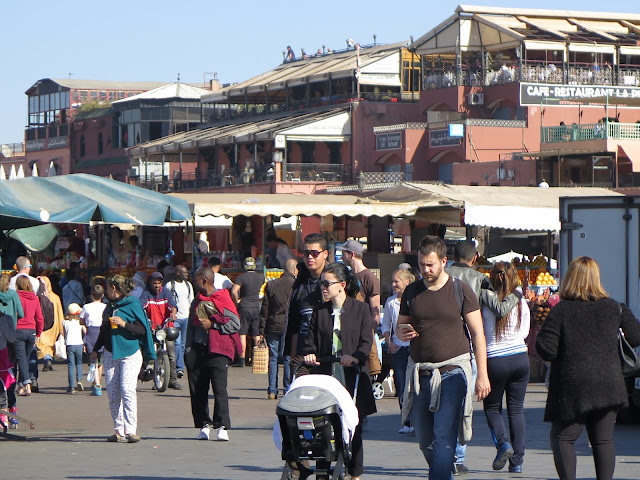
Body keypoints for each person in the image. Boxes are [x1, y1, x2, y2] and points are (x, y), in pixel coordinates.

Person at [536, 256, 640, 480]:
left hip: (573, 388)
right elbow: (636, 336)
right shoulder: (615, 308)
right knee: (603, 441)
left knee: (563, 439)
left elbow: (546, 349)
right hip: (608, 384)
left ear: (570, 279)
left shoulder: (562, 311)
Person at [397, 235, 490, 480]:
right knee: (425, 439)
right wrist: (402, 333)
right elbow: (400, 326)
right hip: (420, 373)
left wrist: (482, 375)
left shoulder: (461, 290)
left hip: (453, 372)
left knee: (444, 436)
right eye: (421, 264)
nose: (425, 270)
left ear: (444, 261)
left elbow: (478, 334)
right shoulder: (412, 291)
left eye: (431, 265)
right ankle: (444, 468)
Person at [445, 241, 521, 475]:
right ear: (475, 257)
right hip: (466, 348)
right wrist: (517, 294)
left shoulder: (441, 276)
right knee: (463, 406)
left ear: (451, 255)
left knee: (445, 407)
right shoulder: (479, 280)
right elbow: (499, 308)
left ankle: (446, 456)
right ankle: (458, 457)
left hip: (439, 346)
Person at [302, 262, 376, 480]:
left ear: (342, 285)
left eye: (327, 283)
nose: (323, 287)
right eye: (321, 284)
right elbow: (310, 341)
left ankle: (355, 473)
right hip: (327, 375)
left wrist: (355, 357)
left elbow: (366, 341)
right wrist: (309, 353)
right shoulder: (320, 311)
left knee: (354, 426)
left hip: (352, 376)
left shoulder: (360, 309)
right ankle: (323, 470)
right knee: (323, 425)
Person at [90, 274, 155, 443]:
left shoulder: (133, 305)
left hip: (130, 353)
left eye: (107, 287)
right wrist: (95, 349)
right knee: (113, 393)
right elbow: (103, 331)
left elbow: (142, 330)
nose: (105, 291)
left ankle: (131, 430)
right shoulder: (108, 307)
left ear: (113, 288)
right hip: (111, 353)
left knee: (127, 390)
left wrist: (124, 324)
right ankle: (118, 430)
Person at [481, 262, 530, 473]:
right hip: (520, 358)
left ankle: (504, 443)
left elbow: (480, 333)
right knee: (516, 410)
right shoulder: (521, 303)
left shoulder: (485, 304)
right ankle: (517, 462)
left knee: (492, 408)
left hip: (495, 360)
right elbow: (526, 332)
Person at [185, 266, 241, 442]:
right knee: (198, 390)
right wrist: (188, 349)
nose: (194, 281)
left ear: (204, 280)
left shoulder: (223, 297)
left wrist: (214, 325)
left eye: (196, 278)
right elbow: (190, 326)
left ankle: (222, 425)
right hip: (198, 349)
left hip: (218, 350)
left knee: (219, 389)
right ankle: (204, 424)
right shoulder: (197, 300)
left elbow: (235, 324)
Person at [284, 233, 329, 380]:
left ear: (325, 254)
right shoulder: (300, 283)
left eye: (315, 253)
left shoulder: (335, 280)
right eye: (306, 253)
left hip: (328, 352)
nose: (310, 257)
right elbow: (294, 324)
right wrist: (293, 357)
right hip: (302, 353)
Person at [338, 239, 382, 377]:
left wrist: (369, 331)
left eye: (343, 253)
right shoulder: (347, 275)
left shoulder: (369, 277)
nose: (341, 256)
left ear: (351, 254)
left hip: (363, 329)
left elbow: (375, 311)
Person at [381, 267, 415, 434]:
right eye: (393, 281)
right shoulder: (390, 302)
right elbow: (386, 324)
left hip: (415, 348)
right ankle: (406, 420)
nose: (393, 284)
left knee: (416, 385)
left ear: (407, 282)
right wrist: (389, 343)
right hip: (399, 348)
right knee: (401, 384)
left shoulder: (415, 300)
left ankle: (417, 420)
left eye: (397, 281)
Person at [259, 258, 297, 400]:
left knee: (273, 358)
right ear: (294, 270)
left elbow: (265, 309)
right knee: (287, 358)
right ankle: (287, 389)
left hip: (273, 324)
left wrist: (261, 330)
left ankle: (272, 390)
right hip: (289, 325)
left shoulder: (271, 285)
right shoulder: (296, 285)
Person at [139, 271, 181, 390]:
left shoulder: (166, 292)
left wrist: (173, 314)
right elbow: (140, 307)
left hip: (166, 327)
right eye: (154, 282)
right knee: (149, 353)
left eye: (159, 283)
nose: (157, 285)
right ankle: (154, 379)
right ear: (151, 283)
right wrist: (144, 318)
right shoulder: (146, 294)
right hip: (152, 328)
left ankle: (172, 380)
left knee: (171, 354)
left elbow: (173, 306)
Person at [231, 257, 265, 367]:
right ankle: (258, 359)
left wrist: (237, 302)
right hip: (256, 306)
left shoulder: (241, 277)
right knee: (256, 334)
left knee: (242, 334)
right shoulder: (261, 277)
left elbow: (234, 291)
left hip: (244, 306)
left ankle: (241, 360)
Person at [15, 276, 44, 396]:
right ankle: (20, 385)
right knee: (25, 359)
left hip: (19, 329)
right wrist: (38, 333)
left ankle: (27, 384)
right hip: (31, 330)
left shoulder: (16, 297)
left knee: (21, 359)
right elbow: (40, 318)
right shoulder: (35, 298)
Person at [165, 265, 194, 379]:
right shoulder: (169, 286)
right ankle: (179, 368)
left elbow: (191, 300)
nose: (186, 275)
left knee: (183, 344)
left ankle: (180, 366)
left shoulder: (188, 285)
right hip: (175, 318)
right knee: (176, 343)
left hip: (186, 317)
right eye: (184, 273)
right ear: (178, 273)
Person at [80, 285, 107, 396]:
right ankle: (98, 382)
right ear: (103, 296)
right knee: (100, 361)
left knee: (93, 360)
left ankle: (96, 386)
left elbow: (81, 321)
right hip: (103, 332)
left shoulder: (86, 307)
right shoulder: (106, 306)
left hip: (91, 332)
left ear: (91, 295)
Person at [35, 275, 64, 372]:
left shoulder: (37, 297)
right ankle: (49, 359)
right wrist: (61, 327)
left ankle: (47, 359)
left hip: (42, 324)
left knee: (42, 343)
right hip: (53, 324)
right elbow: (60, 312)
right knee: (50, 343)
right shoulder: (55, 297)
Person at [64, 303, 86, 394]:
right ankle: (79, 380)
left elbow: (64, 333)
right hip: (79, 344)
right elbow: (85, 332)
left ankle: (71, 386)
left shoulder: (65, 322)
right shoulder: (80, 322)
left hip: (69, 345)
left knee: (71, 365)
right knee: (79, 363)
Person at [0, 311, 17, 431]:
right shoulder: (5, 319)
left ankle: (4, 418)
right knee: (4, 387)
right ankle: (4, 418)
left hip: (3, 356)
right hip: (3, 355)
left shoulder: (5, 319)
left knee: (4, 387)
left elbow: (11, 338)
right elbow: (11, 338)